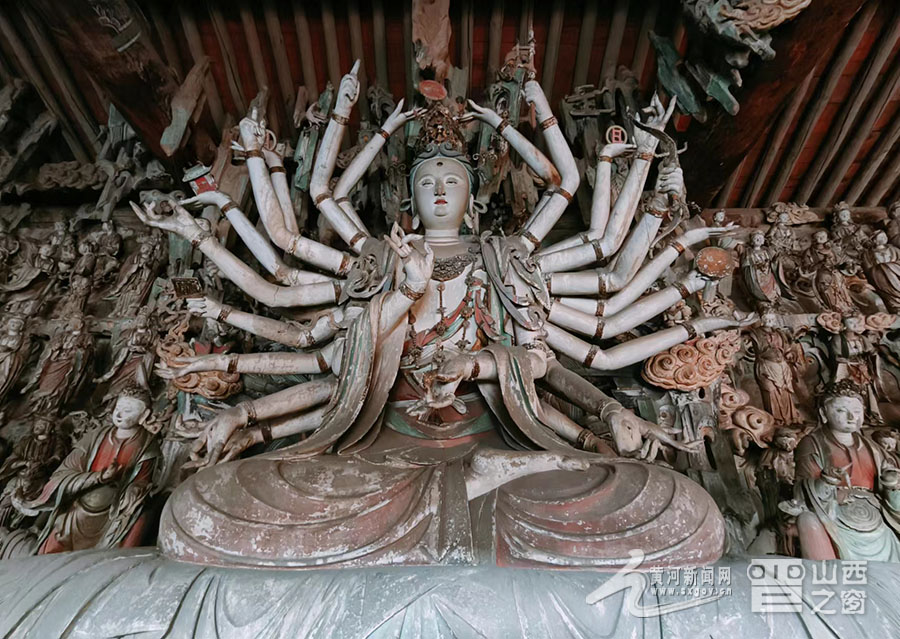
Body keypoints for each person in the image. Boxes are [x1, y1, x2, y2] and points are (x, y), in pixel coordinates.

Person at [794, 381, 900, 561]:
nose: (851, 417)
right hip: (834, 514)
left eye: (857, 411)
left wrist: (892, 485)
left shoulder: (875, 450)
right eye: (841, 410)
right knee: (808, 521)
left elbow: (891, 494)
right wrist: (826, 481)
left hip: (875, 519)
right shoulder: (812, 444)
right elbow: (802, 490)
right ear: (824, 413)